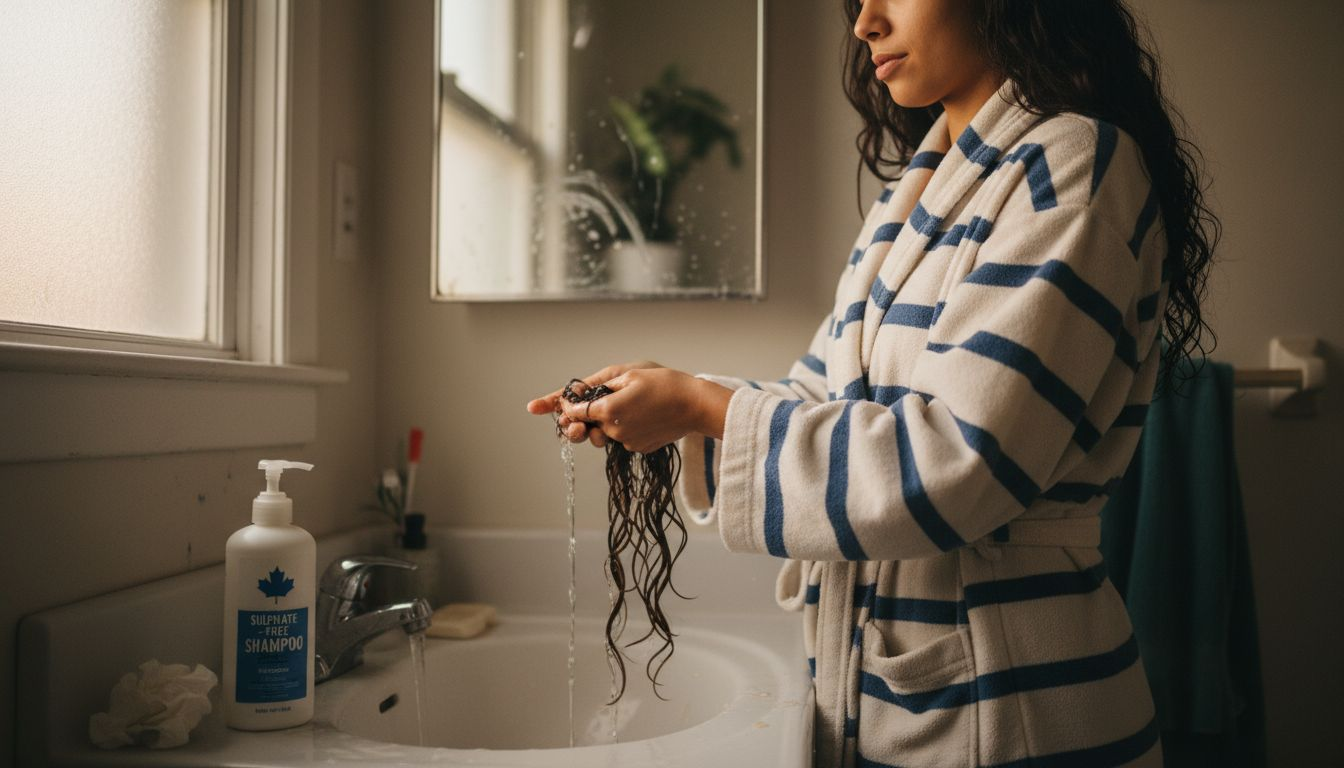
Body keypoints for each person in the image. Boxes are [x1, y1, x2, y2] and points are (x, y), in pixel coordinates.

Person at [527, 0, 1217, 765]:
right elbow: (824, 401)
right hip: (893, 690)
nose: (864, 24)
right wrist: (679, 398)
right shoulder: (907, 201)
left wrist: (702, 405)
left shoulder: (1071, 166)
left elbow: (956, 461)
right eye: (856, 1)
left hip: (1017, 709)